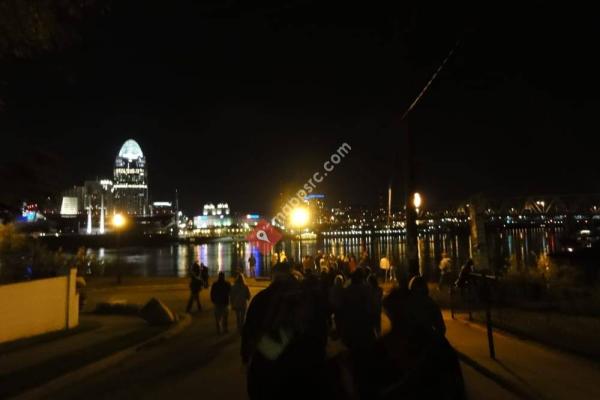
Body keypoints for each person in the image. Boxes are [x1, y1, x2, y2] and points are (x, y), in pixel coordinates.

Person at [241, 261, 329, 400]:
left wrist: (249, 360)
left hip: (270, 376)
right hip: (306, 373)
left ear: (273, 276)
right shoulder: (308, 298)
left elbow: (249, 336)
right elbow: (321, 333)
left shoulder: (261, 300)